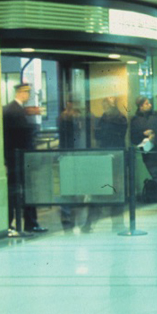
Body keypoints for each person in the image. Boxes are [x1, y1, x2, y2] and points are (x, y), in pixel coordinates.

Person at [3, 83, 45, 235]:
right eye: (27, 93)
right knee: (27, 190)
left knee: (15, 191)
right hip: (20, 158)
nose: (28, 96)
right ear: (22, 93)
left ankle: (12, 222)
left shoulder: (11, 109)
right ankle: (30, 223)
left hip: (14, 158)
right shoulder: (15, 111)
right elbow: (21, 137)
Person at [82, 97, 128, 233]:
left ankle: (89, 223)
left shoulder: (105, 120)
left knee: (100, 191)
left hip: (105, 157)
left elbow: (100, 137)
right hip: (116, 158)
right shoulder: (120, 119)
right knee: (116, 191)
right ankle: (117, 223)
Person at [57, 98, 85, 231]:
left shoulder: (68, 117)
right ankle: (69, 211)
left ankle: (69, 211)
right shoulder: (67, 118)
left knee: (70, 184)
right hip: (70, 154)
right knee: (69, 184)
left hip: (70, 154)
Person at [131, 97, 157, 200]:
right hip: (148, 153)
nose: (150, 105)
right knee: (156, 175)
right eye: (146, 104)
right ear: (140, 106)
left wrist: (153, 133)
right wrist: (143, 134)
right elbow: (133, 138)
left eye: (149, 103)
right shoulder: (136, 120)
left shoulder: (155, 117)